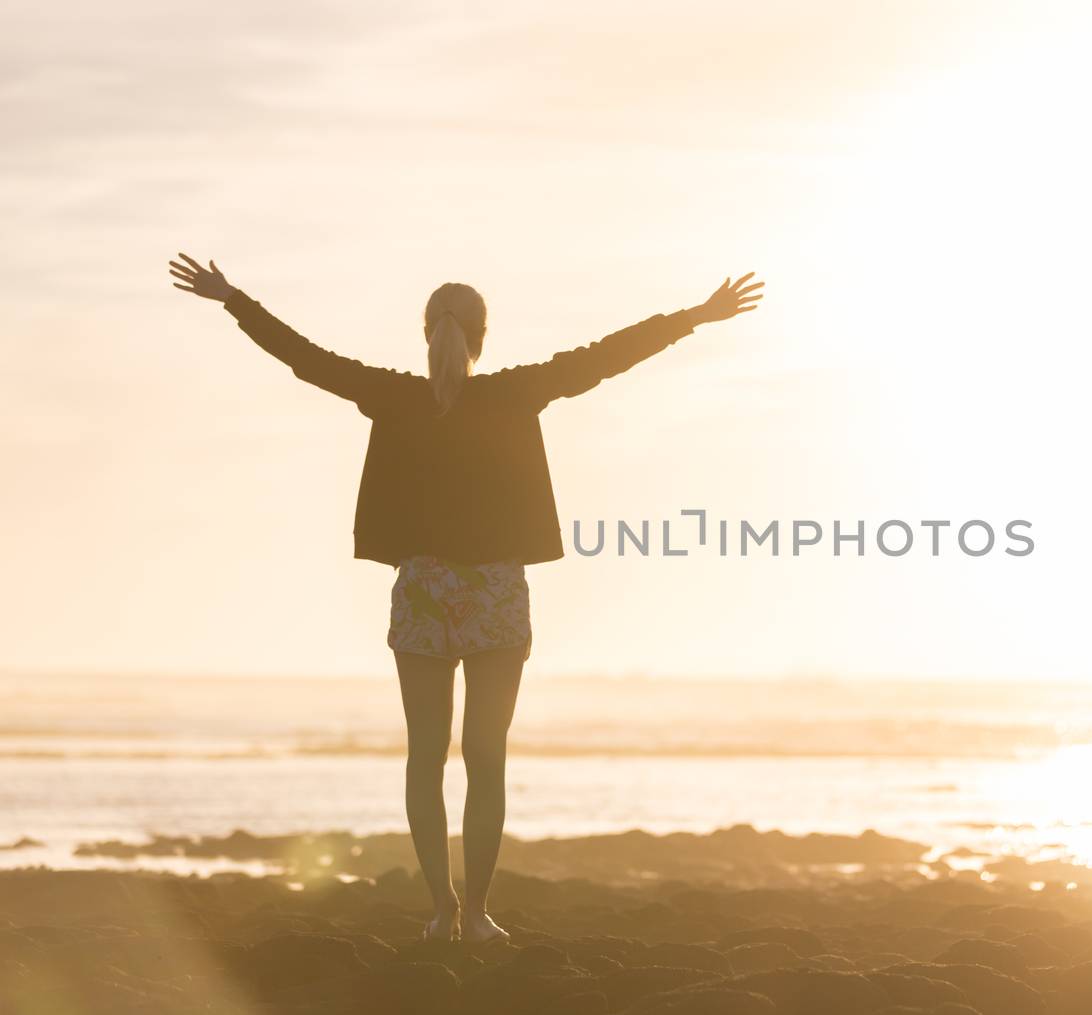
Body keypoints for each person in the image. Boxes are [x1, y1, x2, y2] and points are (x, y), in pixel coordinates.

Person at [168, 253, 763, 942]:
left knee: (426, 757)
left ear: (428, 334)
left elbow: (306, 358)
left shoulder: (392, 395)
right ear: (482, 336)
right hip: (496, 595)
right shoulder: (515, 392)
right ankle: (478, 913)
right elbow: (606, 357)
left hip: (424, 591)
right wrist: (694, 316)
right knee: (487, 756)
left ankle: (439, 910)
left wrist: (233, 298)